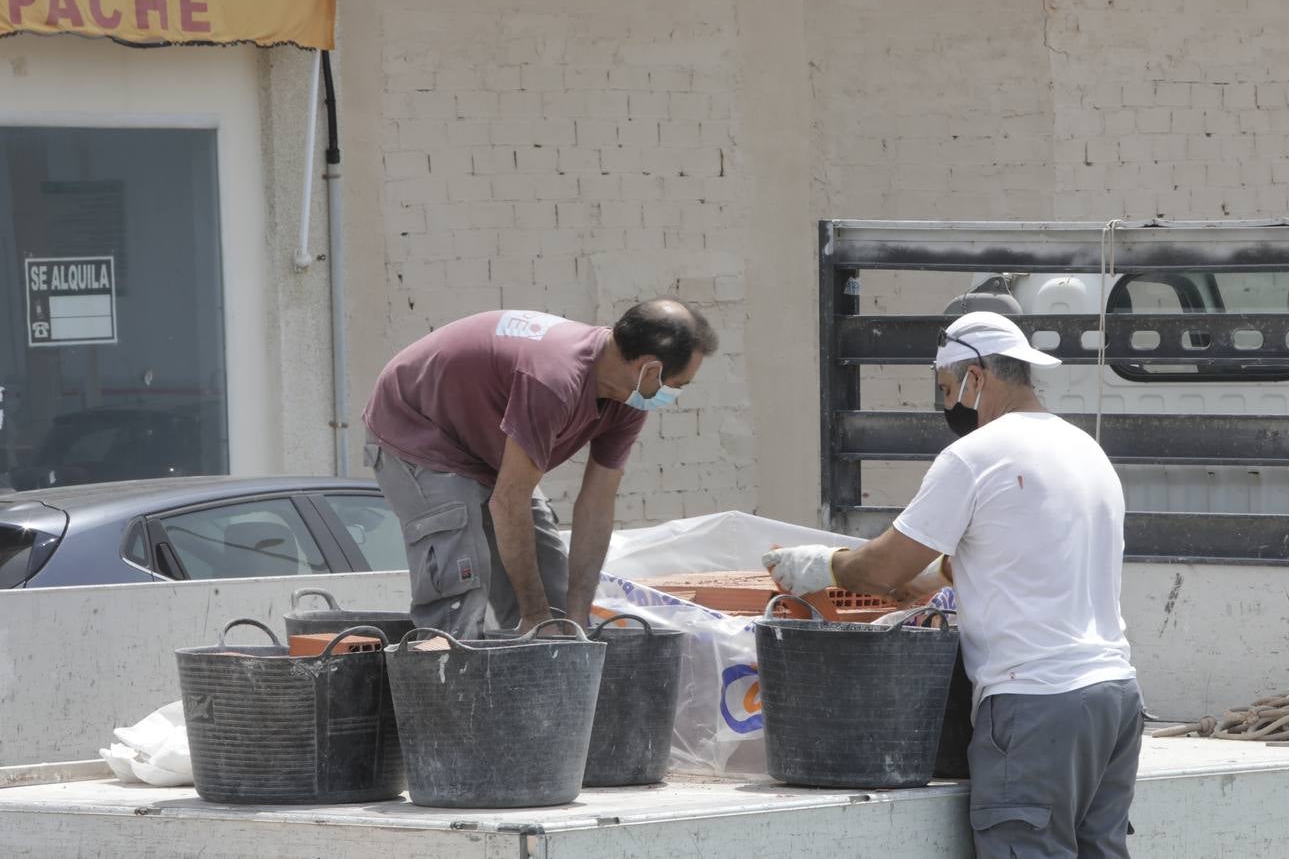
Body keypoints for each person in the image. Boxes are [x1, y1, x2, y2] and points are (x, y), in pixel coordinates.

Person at [763, 311, 1141, 858]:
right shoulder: (1084, 449)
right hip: (1114, 697)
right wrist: (927, 581)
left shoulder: (975, 456)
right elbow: (1018, 551)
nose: (947, 405)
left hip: (1035, 701)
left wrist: (824, 565)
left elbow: (883, 567)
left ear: (978, 377)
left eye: (947, 389)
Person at [364, 300, 717, 638]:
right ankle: (441, 683)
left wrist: (576, 618)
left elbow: (596, 504)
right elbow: (509, 502)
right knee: (460, 584)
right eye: (678, 386)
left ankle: (540, 683)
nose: (674, 395)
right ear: (651, 370)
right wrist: (534, 618)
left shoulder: (631, 397)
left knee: (553, 594)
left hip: (488, 446)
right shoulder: (555, 380)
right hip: (419, 431)